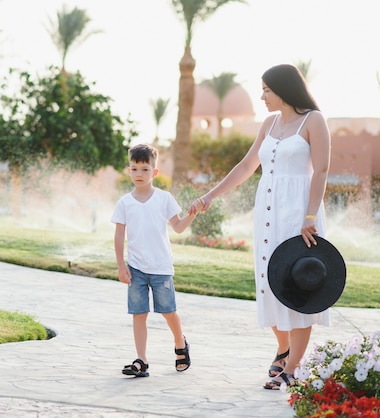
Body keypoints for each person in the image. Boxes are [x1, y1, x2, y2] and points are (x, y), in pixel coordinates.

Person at [191, 64, 332, 390]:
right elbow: (246, 166)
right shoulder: (269, 124)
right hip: (268, 215)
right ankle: (283, 348)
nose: (262, 95)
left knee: (300, 287)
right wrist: (210, 196)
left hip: (299, 216)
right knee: (271, 284)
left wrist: (310, 216)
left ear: (283, 89)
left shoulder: (314, 120)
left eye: (267, 89)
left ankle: (292, 369)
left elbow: (322, 170)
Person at [112, 143, 200, 378]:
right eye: (134, 169)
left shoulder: (164, 199)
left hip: (161, 268)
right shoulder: (124, 203)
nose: (139, 174)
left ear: (155, 172)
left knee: (168, 311)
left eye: (144, 169)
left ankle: (180, 344)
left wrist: (191, 214)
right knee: (139, 314)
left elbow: (178, 227)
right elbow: (119, 235)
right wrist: (121, 266)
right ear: (128, 171)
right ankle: (142, 360)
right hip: (136, 269)